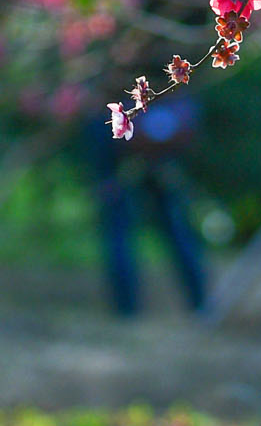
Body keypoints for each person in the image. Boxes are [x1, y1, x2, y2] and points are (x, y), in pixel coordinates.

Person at [86, 90, 208, 317]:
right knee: (168, 227)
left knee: (124, 229)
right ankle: (198, 303)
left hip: (132, 154)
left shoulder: (109, 88)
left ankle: (127, 309)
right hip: (149, 153)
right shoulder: (170, 95)